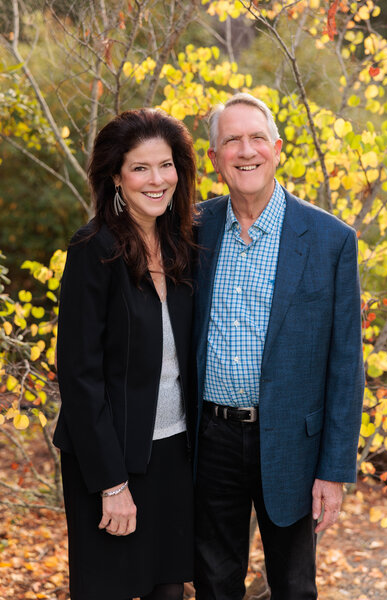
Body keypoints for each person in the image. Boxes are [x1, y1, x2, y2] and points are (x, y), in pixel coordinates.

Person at [192, 93, 364, 600]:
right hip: (211, 439)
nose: (246, 151)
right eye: (231, 141)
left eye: (256, 137)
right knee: (214, 584)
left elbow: (345, 366)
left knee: (292, 586)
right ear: (214, 157)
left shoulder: (331, 240)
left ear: (277, 148)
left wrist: (334, 472)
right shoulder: (191, 230)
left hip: (294, 443)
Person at [53, 108, 197, 600]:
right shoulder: (93, 249)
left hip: (174, 454)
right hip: (109, 460)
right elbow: (79, 375)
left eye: (166, 165)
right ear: (116, 176)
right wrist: (112, 485)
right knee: (107, 590)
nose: (157, 180)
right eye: (140, 168)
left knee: (169, 591)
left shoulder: (184, 244)